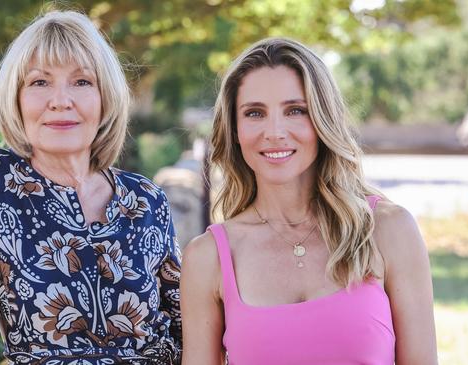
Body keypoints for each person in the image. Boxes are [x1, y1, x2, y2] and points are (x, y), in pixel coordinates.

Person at [0, 9, 181, 365]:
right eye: (39, 82)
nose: (61, 100)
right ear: (15, 98)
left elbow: (189, 331)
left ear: (104, 97)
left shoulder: (146, 199)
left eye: (81, 82)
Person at [180, 38, 437, 364]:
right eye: (255, 113)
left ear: (323, 119)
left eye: (295, 110)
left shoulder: (389, 231)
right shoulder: (208, 258)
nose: (274, 131)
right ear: (234, 128)